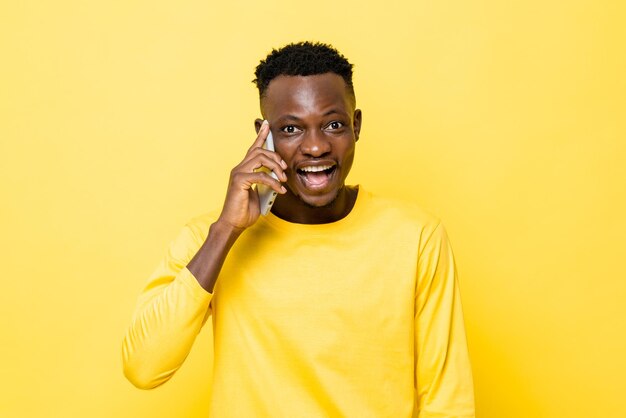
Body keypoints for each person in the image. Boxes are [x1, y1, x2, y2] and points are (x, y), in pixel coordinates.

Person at [122, 41, 475, 417]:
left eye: (333, 125)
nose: (316, 146)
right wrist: (226, 230)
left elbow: (448, 400)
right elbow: (144, 367)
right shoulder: (208, 240)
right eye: (291, 129)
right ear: (264, 135)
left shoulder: (415, 237)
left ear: (356, 126)